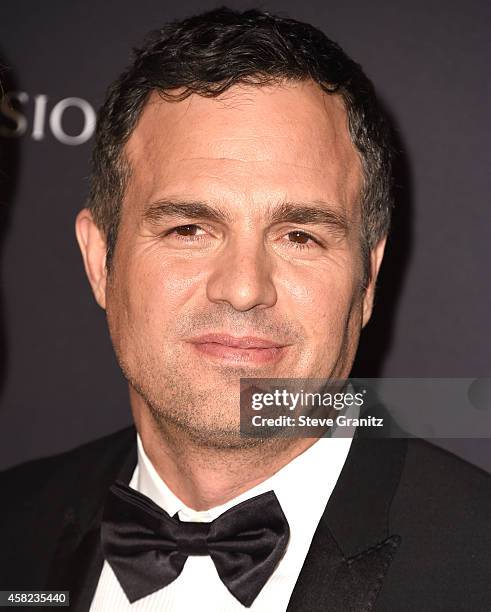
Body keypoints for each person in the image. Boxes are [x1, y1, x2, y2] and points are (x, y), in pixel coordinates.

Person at [0, 7, 489, 612]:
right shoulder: (12, 526)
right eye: (188, 229)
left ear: (367, 280)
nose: (242, 287)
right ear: (101, 260)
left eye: (300, 236)